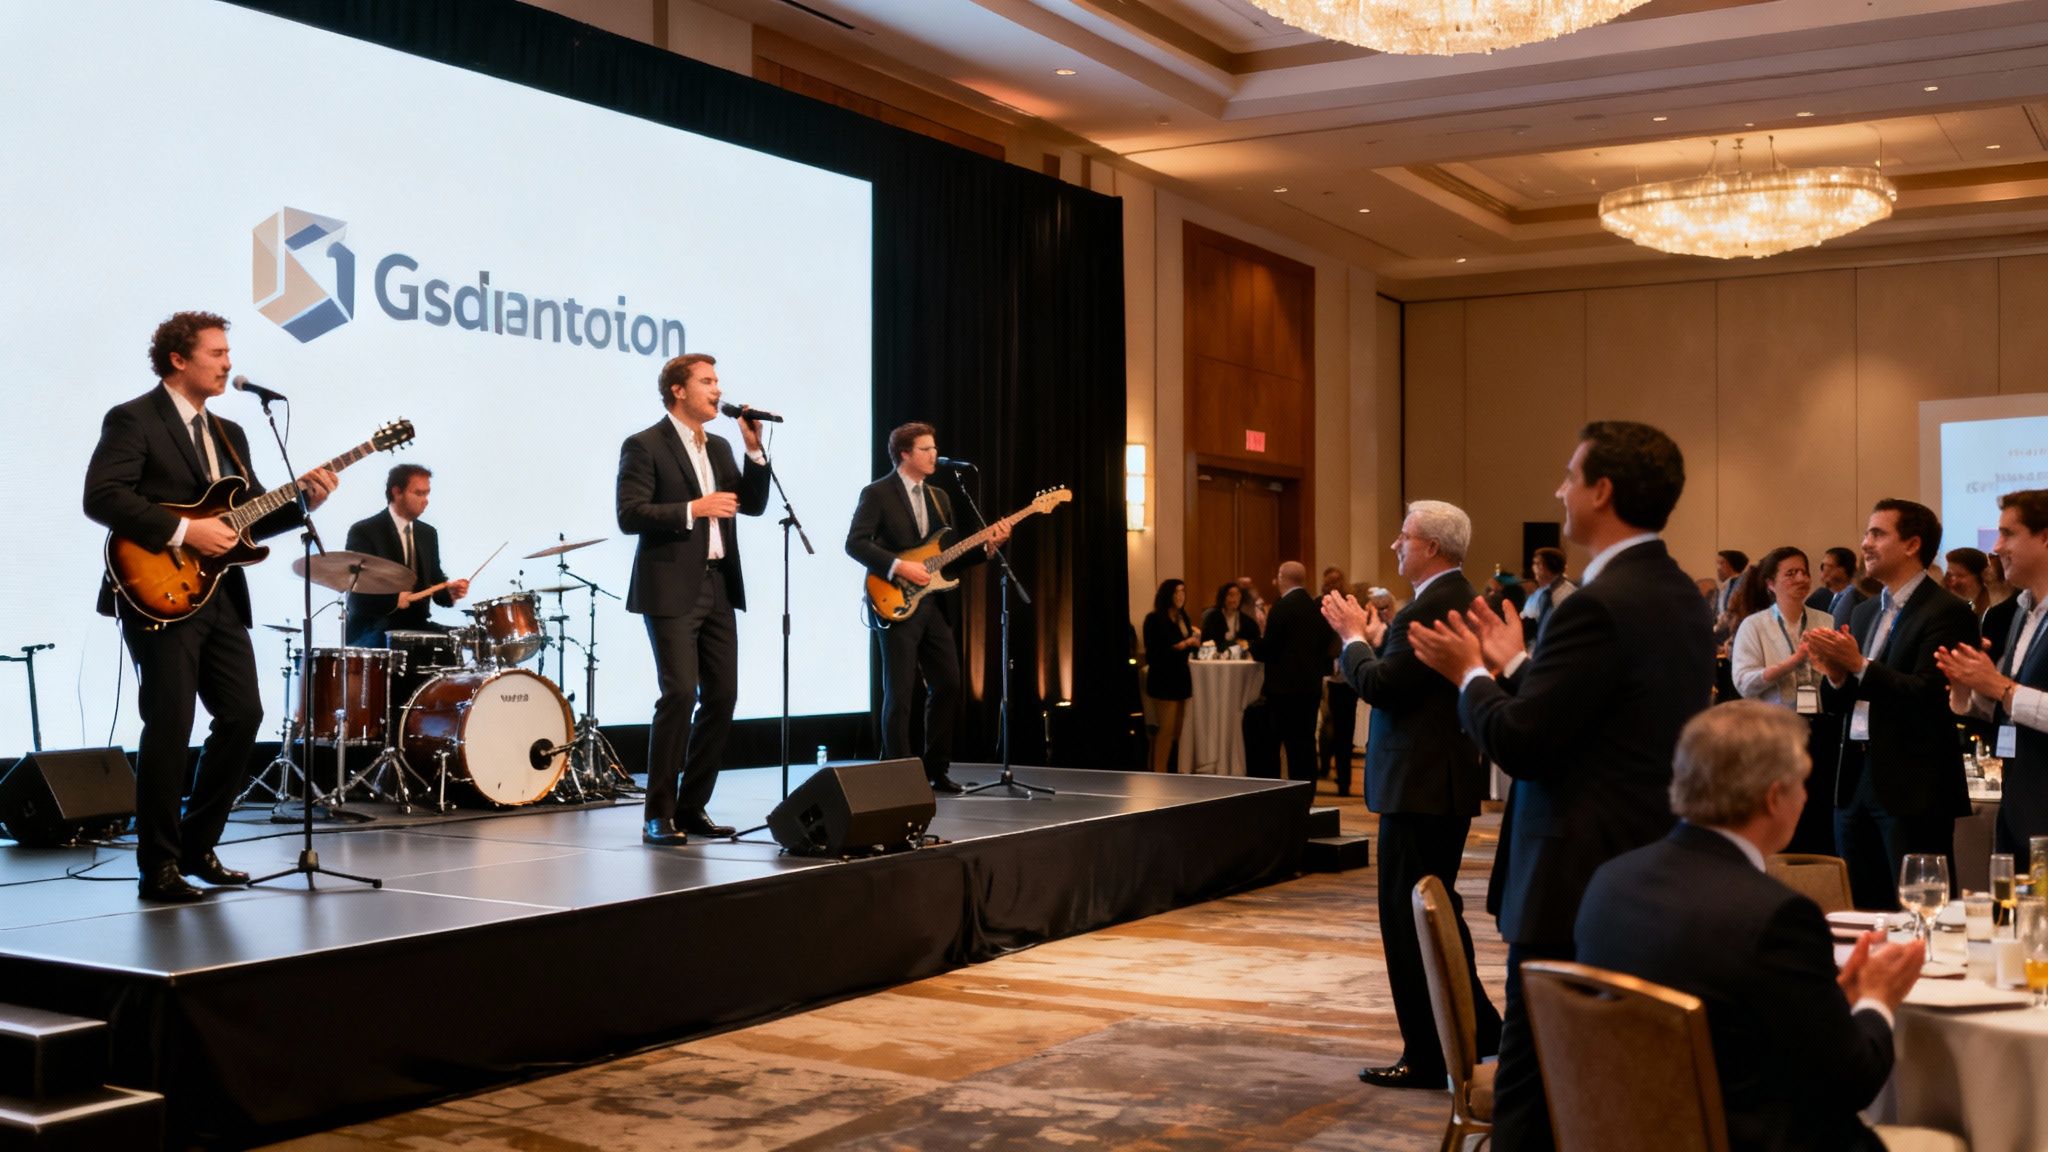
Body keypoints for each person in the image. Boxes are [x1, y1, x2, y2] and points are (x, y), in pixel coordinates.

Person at [1407, 420, 1715, 1152]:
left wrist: (1469, 675)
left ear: (1601, 491)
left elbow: (1524, 744)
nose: (1559, 491)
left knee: (1534, 1101)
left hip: (1572, 878)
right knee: (1598, 1093)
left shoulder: (1597, 605)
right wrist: (1518, 667)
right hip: (1637, 863)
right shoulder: (1675, 591)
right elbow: (1597, 719)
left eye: (1570, 477)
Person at [1574, 701, 1922, 1152]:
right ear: (1774, 798)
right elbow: (1852, 1082)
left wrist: (1828, 1001)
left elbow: (1735, 1013)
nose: (1806, 798)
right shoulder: (1777, 915)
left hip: (1625, 1131)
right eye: (1802, 783)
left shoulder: (1610, 881)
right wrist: (1878, 999)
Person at [84, 311, 338, 901]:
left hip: (219, 594)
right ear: (179, 359)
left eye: (228, 353)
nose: (228, 364)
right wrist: (184, 531)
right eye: (216, 353)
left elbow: (247, 523)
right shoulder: (134, 418)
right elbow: (102, 496)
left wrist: (305, 502)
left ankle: (198, 847)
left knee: (244, 715)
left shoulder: (231, 433)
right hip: (156, 592)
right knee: (170, 724)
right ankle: (158, 867)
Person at [1321, 500, 1501, 1092]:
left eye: (1404, 536)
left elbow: (1381, 687)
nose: (1396, 545)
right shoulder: (1458, 597)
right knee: (1437, 914)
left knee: (1410, 922)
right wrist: (1377, 639)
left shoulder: (1427, 606)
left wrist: (1353, 639)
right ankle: (1484, 1031)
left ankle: (1426, 1054)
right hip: (1438, 781)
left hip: (1418, 787)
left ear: (1431, 546)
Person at [618, 353, 769, 845]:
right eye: (707, 381)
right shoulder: (645, 444)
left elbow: (754, 505)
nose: (718, 389)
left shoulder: (721, 446)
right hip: (670, 586)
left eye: (717, 380)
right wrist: (693, 508)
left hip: (718, 585)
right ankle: (657, 814)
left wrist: (754, 451)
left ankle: (691, 806)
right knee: (680, 693)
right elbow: (629, 514)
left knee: (722, 697)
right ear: (678, 391)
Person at [1805, 499, 1977, 909]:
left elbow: (1928, 693)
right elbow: (1842, 700)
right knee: (1862, 910)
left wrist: (1857, 665)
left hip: (1912, 785)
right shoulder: (1865, 612)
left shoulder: (1948, 611)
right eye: (1867, 533)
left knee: (1919, 910)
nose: (1865, 543)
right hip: (1854, 778)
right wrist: (1835, 674)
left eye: (1878, 534)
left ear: (1912, 544)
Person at [845, 422, 1010, 793]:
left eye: (934, 448)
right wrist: (898, 566)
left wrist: (987, 548)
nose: (934, 455)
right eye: (925, 449)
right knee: (900, 693)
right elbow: (855, 543)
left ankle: (937, 769)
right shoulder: (877, 493)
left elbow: (947, 558)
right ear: (904, 454)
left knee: (949, 682)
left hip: (932, 604)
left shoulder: (940, 497)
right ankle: (899, 775)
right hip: (895, 599)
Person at [1939, 489, 2048, 854]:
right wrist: (1967, 687)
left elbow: (2009, 693)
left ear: (2045, 537)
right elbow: (2007, 707)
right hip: (2019, 808)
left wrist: (2001, 687)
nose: (1997, 547)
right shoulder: (2022, 612)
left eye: (2007, 534)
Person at [1727, 547, 1837, 854]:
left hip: (1820, 731)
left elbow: (1837, 679)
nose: (1801, 578)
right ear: (1770, 583)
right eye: (1791, 573)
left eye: (1804, 572)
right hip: (1774, 736)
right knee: (1779, 817)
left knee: (1818, 819)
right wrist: (1793, 662)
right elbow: (1744, 683)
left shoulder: (1825, 621)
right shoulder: (1755, 625)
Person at [343, 464, 471, 646]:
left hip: (416, 625)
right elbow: (357, 593)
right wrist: (393, 601)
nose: (425, 501)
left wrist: (448, 593)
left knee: (457, 644)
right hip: (374, 628)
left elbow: (435, 579)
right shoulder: (364, 531)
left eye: (427, 494)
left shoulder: (428, 533)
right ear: (397, 492)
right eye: (419, 494)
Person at [1252, 561, 1335, 784]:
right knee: (1305, 744)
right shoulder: (1314, 606)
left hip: (1284, 689)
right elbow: (1326, 642)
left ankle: (1277, 791)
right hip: (1310, 686)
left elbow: (1269, 650)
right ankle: (1306, 791)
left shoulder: (1282, 607)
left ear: (1281, 578)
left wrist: (1256, 641)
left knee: (1276, 744)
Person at [1140, 579, 1200, 774]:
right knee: (1165, 731)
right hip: (1163, 678)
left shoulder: (1183, 618)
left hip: (1181, 677)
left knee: (1178, 731)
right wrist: (1185, 644)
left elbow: (1185, 647)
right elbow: (1155, 653)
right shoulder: (1154, 619)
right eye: (1176, 592)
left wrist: (1192, 642)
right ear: (1167, 595)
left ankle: (1174, 771)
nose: (1180, 596)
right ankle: (1160, 772)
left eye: (1183, 592)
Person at [1319, 566, 1359, 790]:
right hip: (1329, 674)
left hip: (1344, 675)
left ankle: (1343, 778)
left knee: (1342, 728)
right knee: (1328, 727)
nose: (1332, 585)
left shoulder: (1347, 605)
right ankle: (1327, 767)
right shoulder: (1320, 605)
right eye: (1329, 581)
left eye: (1335, 581)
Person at [1520, 546, 1575, 637]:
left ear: (1550, 566)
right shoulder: (1538, 593)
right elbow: (1526, 617)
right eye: (1534, 564)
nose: (1534, 568)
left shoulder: (1569, 593)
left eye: (1538, 564)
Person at [1198, 581, 1260, 649]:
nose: (1234, 599)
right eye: (1231, 595)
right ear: (1223, 597)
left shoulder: (1248, 621)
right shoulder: (1213, 618)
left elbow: (1255, 642)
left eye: (1238, 595)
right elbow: (1206, 642)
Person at [1811, 546, 1863, 620]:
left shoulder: (1858, 598)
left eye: (1830, 567)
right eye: (1823, 566)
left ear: (1845, 569)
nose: (1824, 572)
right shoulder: (1820, 596)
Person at [1945, 547, 1993, 619]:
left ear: (1982, 576)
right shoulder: (1960, 609)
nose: (1954, 582)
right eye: (1950, 575)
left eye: (1960, 575)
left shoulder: (1992, 613)